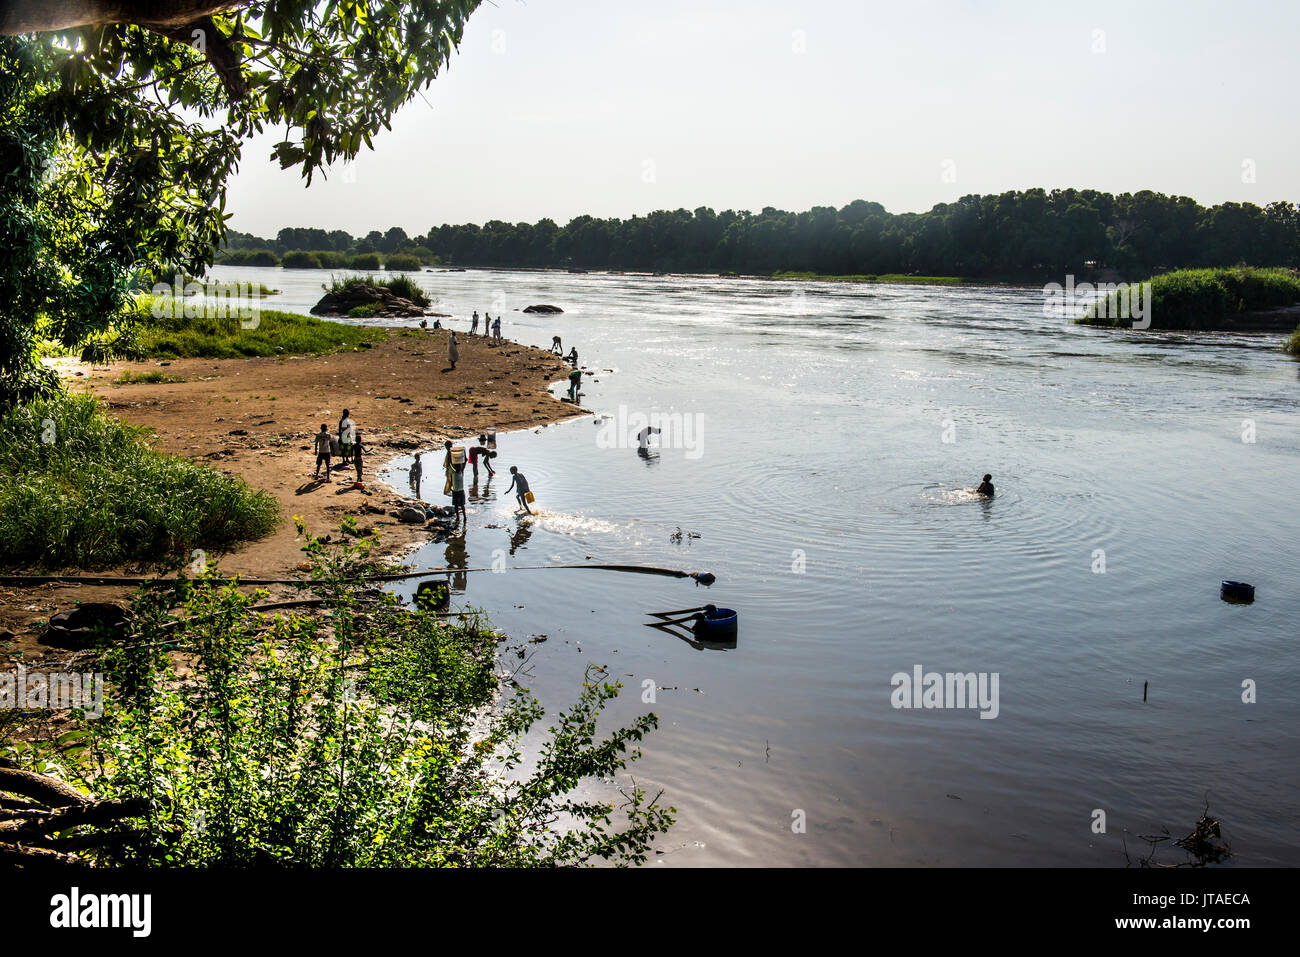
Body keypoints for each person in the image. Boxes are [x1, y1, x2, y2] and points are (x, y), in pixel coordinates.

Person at [450, 461, 467, 525]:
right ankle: (462, 517)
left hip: (457, 491)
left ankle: (460, 517)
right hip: (460, 491)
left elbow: (449, 465)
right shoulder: (460, 472)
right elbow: (449, 465)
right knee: (460, 505)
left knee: (457, 505)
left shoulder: (454, 472)